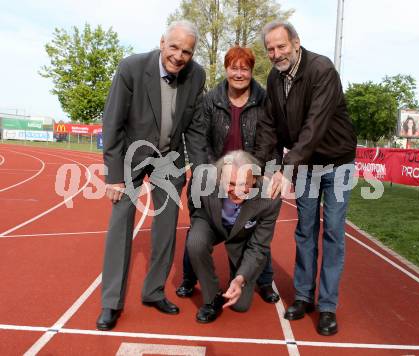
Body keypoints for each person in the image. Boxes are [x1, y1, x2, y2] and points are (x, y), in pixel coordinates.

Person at [96, 20, 207, 331]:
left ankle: (154, 291)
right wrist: (114, 177)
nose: (179, 56)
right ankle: (111, 302)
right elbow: (112, 122)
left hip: (168, 158)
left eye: (187, 51)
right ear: (162, 43)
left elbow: (196, 128)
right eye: (173, 47)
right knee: (120, 226)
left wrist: (198, 169)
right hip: (131, 154)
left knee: (167, 226)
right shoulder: (131, 68)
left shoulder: (196, 75)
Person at [254, 20, 357, 336]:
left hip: (336, 163)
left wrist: (287, 166)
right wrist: (257, 167)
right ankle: (302, 297)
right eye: (270, 48)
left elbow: (314, 126)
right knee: (305, 230)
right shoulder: (274, 78)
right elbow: (270, 125)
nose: (275, 53)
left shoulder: (321, 69)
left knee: (334, 234)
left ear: (296, 43)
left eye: (281, 46)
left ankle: (327, 307)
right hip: (306, 163)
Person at [176, 46, 280, 304]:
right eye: (234, 67)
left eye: (244, 68)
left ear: (251, 71)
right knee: (198, 229)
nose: (239, 73)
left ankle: (264, 281)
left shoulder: (264, 100)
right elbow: (201, 140)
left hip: (249, 177)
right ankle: (190, 278)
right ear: (226, 69)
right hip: (217, 175)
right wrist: (210, 173)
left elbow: (269, 141)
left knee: (254, 229)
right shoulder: (210, 99)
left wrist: (260, 174)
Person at [187, 150, 281, 323]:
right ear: (220, 177)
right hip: (212, 223)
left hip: (243, 235)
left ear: (254, 179)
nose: (237, 191)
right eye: (230, 183)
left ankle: (238, 279)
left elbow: (259, 246)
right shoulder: (202, 178)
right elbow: (194, 204)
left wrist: (240, 279)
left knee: (240, 306)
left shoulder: (270, 197)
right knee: (195, 241)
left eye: (243, 184)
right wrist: (199, 223)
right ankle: (212, 297)